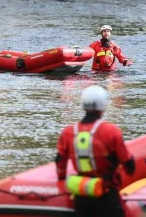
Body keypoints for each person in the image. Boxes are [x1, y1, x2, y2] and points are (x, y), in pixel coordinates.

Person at [55, 85, 136, 217]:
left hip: (81, 195)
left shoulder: (68, 132)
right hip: (106, 195)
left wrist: (62, 179)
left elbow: (60, 164)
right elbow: (129, 167)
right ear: (103, 105)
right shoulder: (111, 132)